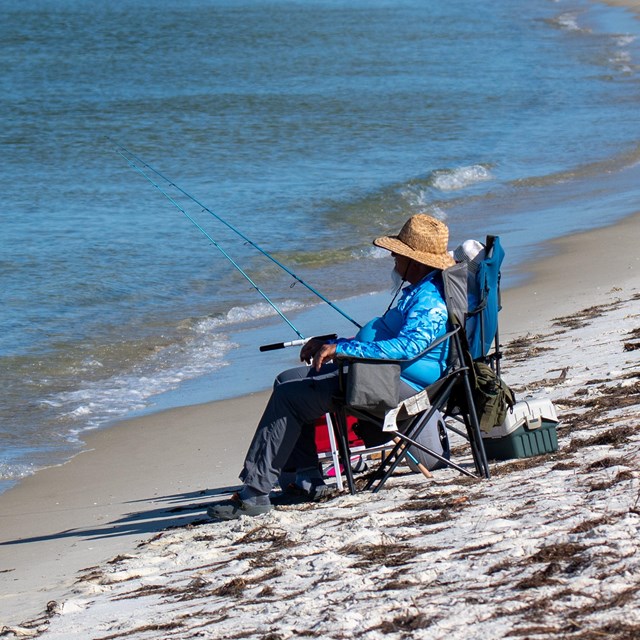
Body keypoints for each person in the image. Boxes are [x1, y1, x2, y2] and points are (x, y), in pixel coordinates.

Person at [208, 214, 455, 520]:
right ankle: (303, 478)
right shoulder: (420, 290)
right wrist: (332, 342)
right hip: (380, 373)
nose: (393, 258)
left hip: (396, 385)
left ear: (414, 262)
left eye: (398, 254)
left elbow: (408, 348)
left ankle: (254, 494)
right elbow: (392, 341)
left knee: (291, 396)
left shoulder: (429, 300)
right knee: (287, 379)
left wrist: (343, 350)